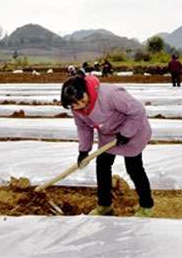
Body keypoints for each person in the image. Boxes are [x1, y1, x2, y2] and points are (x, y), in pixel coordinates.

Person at [61, 75, 154, 217]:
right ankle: (104, 205)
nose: (79, 105)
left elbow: (137, 111)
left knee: (134, 168)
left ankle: (147, 206)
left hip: (133, 131)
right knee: (102, 165)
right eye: (74, 104)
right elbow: (84, 128)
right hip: (109, 135)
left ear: (86, 90)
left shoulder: (111, 95)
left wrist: (126, 133)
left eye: (81, 100)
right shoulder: (77, 108)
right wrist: (84, 151)